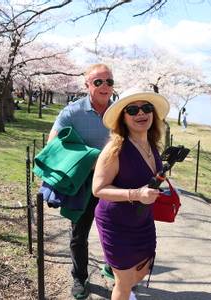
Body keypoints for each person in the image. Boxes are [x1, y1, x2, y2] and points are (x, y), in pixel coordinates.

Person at [92, 88, 170, 300]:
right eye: (132, 110)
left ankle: (120, 280)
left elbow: (146, 179)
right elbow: (98, 189)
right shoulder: (114, 149)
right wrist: (137, 194)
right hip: (116, 223)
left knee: (142, 269)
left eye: (146, 108)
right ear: (122, 118)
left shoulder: (152, 145)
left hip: (142, 220)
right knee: (124, 282)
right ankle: (121, 286)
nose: (140, 114)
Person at [47, 63, 114, 299]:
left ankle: (113, 268)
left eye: (109, 81)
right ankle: (79, 278)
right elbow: (53, 143)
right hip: (83, 185)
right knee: (79, 234)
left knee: (116, 231)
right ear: (87, 85)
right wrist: (89, 158)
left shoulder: (120, 112)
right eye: (98, 82)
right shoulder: (72, 112)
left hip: (114, 184)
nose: (104, 86)